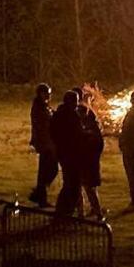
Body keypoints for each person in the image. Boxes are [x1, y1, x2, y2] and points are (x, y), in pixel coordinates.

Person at [50, 89, 84, 216]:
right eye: (75, 101)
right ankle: (65, 211)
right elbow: (77, 134)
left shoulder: (58, 114)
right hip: (71, 154)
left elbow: (52, 132)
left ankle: (65, 210)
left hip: (62, 153)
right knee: (73, 183)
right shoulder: (71, 116)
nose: (77, 103)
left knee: (69, 181)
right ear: (70, 101)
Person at [77, 89, 105, 219]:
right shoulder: (87, 126)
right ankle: (83, 212)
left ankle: (97, 212)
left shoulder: (91, 129)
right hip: (83, 160)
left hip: (87, 161)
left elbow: (96, 145)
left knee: (88, 187)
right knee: (83, 187)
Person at [27, 83, 56, 206]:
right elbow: (44, 124)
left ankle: (39, 194)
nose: (49, 96)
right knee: (49, 169)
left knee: (47, 170)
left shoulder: (43, 106)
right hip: (45, 142)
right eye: (47, 93)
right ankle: (40, 195)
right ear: (41, 94)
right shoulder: (39, 108)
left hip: (47, 142)